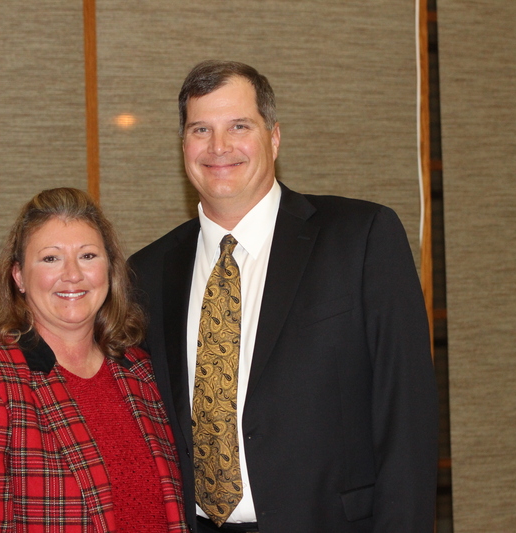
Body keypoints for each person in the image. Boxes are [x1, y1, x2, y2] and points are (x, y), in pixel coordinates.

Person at [128, 60, 439, 532]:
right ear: (183, 145)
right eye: (200, 129)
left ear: (274, 137)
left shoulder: (361, 237)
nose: (219, 147)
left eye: (239, 126)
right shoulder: (147, 271)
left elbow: (407, 419)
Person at [0, 188, 187, 533]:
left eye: (88, 256)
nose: (73, 274)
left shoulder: (141, 371)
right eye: (51, 258)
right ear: (18, 276)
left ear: (110, 270)